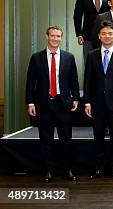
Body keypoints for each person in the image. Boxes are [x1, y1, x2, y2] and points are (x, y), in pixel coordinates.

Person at [25, 26, 80, 182]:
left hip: (63, 104)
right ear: (47, 37)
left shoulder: (69, 57)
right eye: (53, 36)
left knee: (66, 139)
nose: (56, 39)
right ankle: (49, 170)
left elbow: (74, 80)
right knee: (46, 139)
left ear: (61, 38)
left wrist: (76, 98)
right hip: (43, 104)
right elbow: (30, 82)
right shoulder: (36, 58)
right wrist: (30, 102)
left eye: (58, 36)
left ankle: (67, 170)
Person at [84, 21, 113, 180]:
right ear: (99, 36)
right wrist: (87, 102)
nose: (107, 36)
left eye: (110, 33)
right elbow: (88, 80)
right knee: (97, 136)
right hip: (96, 103)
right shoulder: (91, 55)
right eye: (103, 33)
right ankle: (98, 168)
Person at [73, 0, 110, 64]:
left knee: (105, 62)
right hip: (87, 35)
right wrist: (79, 34)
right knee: (89, 62)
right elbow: (77, 15)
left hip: (106, 35)